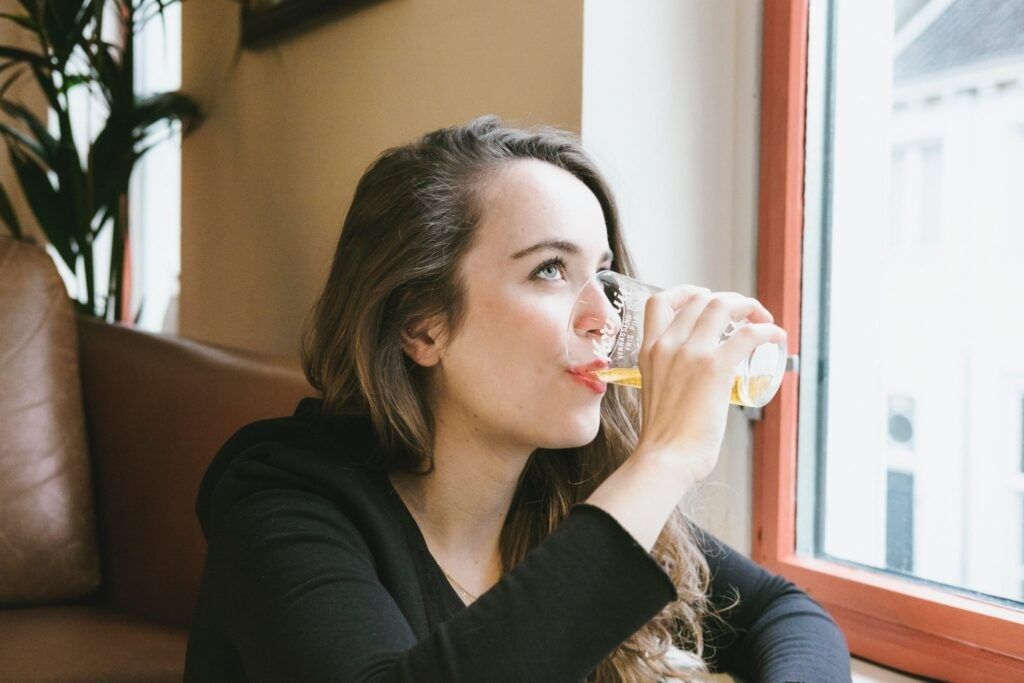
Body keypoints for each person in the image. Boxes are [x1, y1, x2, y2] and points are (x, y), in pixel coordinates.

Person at [183, 115, 851, 682]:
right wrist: (665, 457)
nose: (606, 318)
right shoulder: (278, 502)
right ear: (422, 325)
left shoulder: (561, 485)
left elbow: (784, 613)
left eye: (605, 275)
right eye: (550, 270)